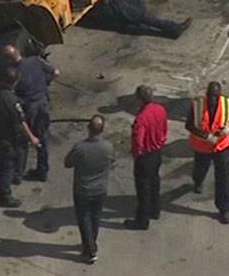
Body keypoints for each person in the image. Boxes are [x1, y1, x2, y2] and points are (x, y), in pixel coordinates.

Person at [0, 66, 39, 207]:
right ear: (15, 81)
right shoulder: (11, 100)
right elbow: (20, 122)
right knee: (7, 167)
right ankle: (4, 196)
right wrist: (32, 138)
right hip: (5, 138)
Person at [64, 115, 115, 264]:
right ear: (102, 129)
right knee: (95, 218)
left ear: (89, 129)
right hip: (100, 190)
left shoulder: (80, 147)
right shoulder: (108, 147)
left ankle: (91, 250)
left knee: (84, 219)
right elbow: (112, 161)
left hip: (83, 190)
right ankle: (91, 243)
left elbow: (68, 163)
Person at [7, 44, 59, 183]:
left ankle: (18, 174)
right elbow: (56, 72)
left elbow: (11, 91)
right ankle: (42, 171)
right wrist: (46, 83)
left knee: (22, 140)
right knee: (42, 138)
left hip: (29, 109)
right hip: (43, 104)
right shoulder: (35, 60)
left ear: (9, 60)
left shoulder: (13, 73)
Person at [186, 80, 229, 224]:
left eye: (216, 96)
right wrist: (206, 136)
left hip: (221, 146)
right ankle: (198, 181)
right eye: (211, 95)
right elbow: (189, 125)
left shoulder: (227, 103)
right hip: (202, 146)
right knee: (200, 168)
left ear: (220, 95)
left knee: (223, 177)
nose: (213, 99)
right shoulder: (198, 105)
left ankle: (224, 209)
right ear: (207, 94)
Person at [124, 84, 167, 230]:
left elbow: (138, 140)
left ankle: (142, 220)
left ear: (139, 99)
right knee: (155, 181)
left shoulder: (141, 118)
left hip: (145, 157)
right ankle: (155, 210)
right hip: (157, 152)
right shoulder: (160, 110)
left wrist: (137, 154)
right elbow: (164, 129)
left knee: (143, 189)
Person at [84, 0, 191, 39]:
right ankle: (173, 28)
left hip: (99, 6)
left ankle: (132, 23)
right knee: (135, 12)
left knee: (138, 1)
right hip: (97, 8)